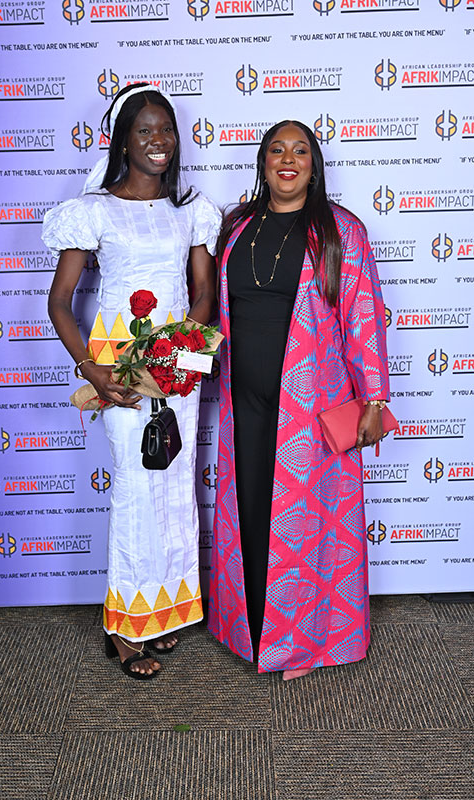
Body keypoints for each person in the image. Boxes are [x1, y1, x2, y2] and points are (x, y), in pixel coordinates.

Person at [42, 83, 221, 679]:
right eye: (144, 130)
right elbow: (60, 302)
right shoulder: (93, 209)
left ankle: (161, 614)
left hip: (178, 362)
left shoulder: (190, 208)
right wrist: (90, 368)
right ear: (123, 141)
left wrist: (178, 350)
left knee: (174, 487)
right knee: (135, 488)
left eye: (165, 129)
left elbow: (203, 292)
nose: (158, 140)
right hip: (116, 367)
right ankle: (122, 627)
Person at [208, 120, 389, 679]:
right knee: (250, 513)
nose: (288, 160)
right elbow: (213, 308)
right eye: (277, 150)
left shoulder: (339, 230)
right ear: (263, 163)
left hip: (311, 407)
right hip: (242, 401)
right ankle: (249, 631)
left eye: (300, 151)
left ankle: (304, 645)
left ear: (314, 166)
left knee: (306, 529)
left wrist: (374, 399)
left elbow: (363, 314)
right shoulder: (237, 226)